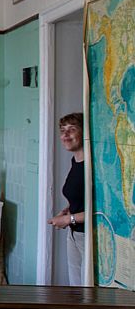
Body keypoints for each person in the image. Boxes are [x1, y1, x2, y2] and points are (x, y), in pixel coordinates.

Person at [47, 113, 86, 286]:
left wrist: (67, 219)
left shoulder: (93, 166)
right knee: (77, 288)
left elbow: (100, 210)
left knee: (88, 289)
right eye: (63, 131)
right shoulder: (75, 161)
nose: (65, 136)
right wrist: (69, 209)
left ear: (84, 133)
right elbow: (81, 195)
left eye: (72, 130)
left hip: (89, 235)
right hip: (74, 233)